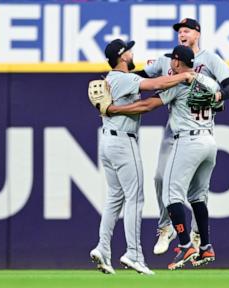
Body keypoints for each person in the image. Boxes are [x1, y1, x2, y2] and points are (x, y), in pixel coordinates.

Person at [108, 45, 220, 270]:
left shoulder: (179, 82)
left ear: (177, 62)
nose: (170, 64)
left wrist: (114, 110)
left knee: (170, 196)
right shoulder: (210, 82)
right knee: (198, 197)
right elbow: (220, 102)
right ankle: (206, 247)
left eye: (172, 61)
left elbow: (148, 105)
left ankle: (186, 245)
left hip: (188, 140)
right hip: (209, 140)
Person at [89, 39, 194, 275]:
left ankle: (103, 249)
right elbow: (156, 84)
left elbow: (141, 106)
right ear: (122, 56)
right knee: (135, 198)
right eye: (128, 50)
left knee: (114, 198)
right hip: (123, 142)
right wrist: (183, 77)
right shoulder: (124, 78)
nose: (132, 52)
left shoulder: (110, 79)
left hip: (106, 140)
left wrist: (114, 109)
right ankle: (133, 254)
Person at [136, 18, 229, 255]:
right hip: (181, 129)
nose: (182, 33)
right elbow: (142, 75)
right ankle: (168, 229)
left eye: (187, 30)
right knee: (162, 179)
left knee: (178, 191)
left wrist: (218, 97)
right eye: (179, 31)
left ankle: (189, 240)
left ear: (197, 34)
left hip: (192, 131)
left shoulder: (209, 60)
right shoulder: (167, 61)